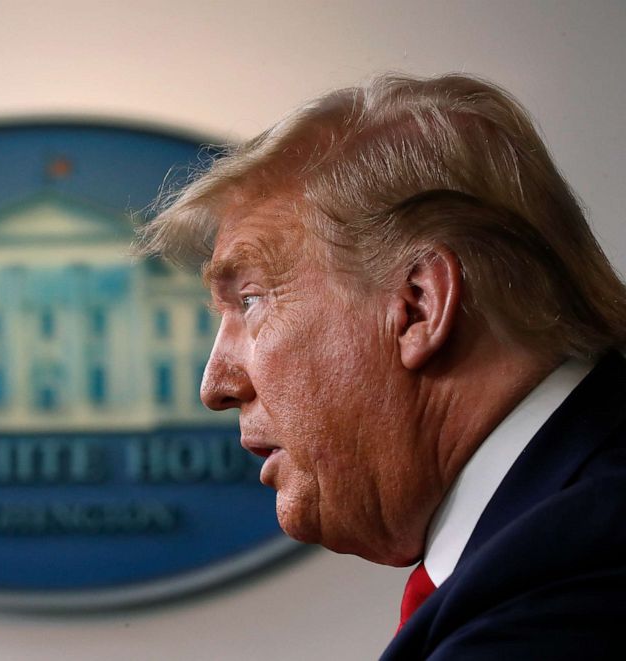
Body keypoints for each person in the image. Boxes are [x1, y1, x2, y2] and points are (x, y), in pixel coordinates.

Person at [136, 73, 626, 659]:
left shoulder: (583, 571)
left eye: (250, 301)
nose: (215, 385)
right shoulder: (544, 539)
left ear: (418, 305)